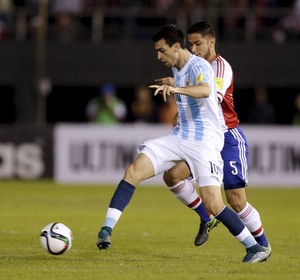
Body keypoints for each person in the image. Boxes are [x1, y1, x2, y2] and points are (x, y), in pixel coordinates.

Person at [96, 24, 268, 263]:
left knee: (220, 201)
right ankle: (106, 230)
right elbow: (188, 80)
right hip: (181, 136)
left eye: (162, 51)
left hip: (208, 139)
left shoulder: (205, 65)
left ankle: (256, 246)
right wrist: (175, 83)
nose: (158, 56)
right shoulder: (180, 66)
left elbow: (206, 90)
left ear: (176, 47)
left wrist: (176, 87)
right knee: (136, 170)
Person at [156, 22, 271, 258]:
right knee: (172, 176)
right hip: (203, 139)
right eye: (191, 44)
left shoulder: (219, 67)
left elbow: (210, 97)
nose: (194, 49)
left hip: (227, 137)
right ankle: (205, 216)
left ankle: (263, 246)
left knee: (236, 200)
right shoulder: (192, 67)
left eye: (198, 44)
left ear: (211, 41)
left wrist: (178, 87)